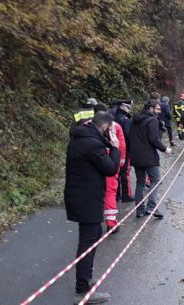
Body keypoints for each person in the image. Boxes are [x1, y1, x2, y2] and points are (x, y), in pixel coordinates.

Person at [65, 111, 120, 304]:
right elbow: (111, 168)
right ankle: (82, 291)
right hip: (86, 199)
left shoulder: (79, 139)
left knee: (93, 235)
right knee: (88, 242)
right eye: (109, 130)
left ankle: (86, 280)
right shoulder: (93, 144)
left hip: (80, 197)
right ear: (104, 128)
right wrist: (115, 147)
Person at [130, 99, 172, 218]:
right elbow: (154, 139)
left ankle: (140, 210)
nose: (159, 112)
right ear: (151, 109)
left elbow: (130, 137)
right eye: (157, 109)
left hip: (136, 156)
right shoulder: (152, 120)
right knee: (155, 180)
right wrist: (165, 149)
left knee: (140, 182)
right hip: (148, 156)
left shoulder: (135, 119)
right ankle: (151, 207)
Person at [95, 103, 126, 234]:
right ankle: (111, 223)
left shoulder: (89, 126)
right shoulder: (115, 126)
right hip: (110, 159)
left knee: (96, 191)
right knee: (110, 191)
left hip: (95, 160)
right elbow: (121, 144)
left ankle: (95, 221)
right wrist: (121, 161)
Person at [110, 100, 134, 203]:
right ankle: (126, 195)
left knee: (116, 172)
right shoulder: (125, 119)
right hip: (124, 148)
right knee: (125, 172)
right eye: (128, 108)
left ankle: (116, 195)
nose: (130, 110)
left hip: (113, 147)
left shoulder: (112, 116)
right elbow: (128, 136)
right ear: (123, 107)